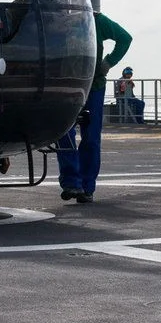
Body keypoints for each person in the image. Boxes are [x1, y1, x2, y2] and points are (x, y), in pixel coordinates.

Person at [56, 11, 131, 203]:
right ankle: (73, 183)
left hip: (93, 85)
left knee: (89, 137)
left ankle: (86, 186)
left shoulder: (97, 20)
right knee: (64, 133)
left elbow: (125, 38)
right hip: (66, 84)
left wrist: (108, 63)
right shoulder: (57, 20)